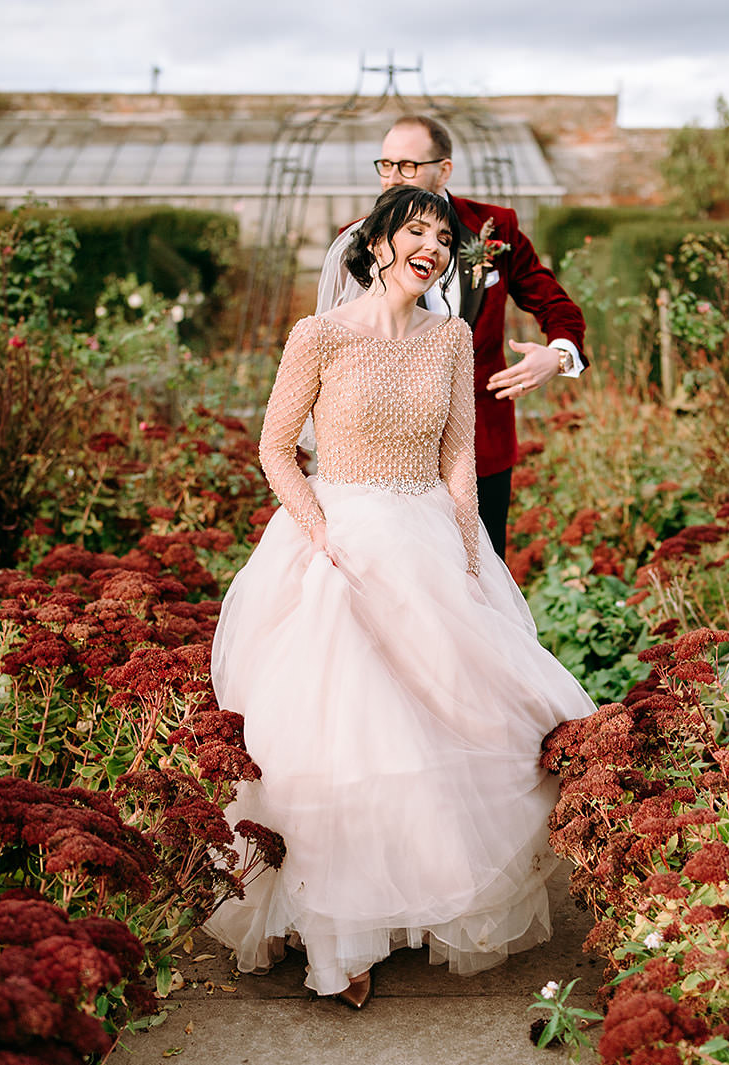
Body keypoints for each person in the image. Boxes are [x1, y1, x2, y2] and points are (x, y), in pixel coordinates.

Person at [206, 184, 596, 1009]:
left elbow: (461, 455)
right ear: (377, 241)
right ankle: (339, 940)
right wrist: (321, 532)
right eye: (414, 229)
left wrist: (466, 546)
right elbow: (277, 450)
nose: (432, 244)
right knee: (340, 738)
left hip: (426, 530)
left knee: (456, 722)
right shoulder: (317, 335)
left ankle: (406, 906)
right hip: (334, 537)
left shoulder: (452, 338)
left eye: (443, 237)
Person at [318, 114, 587, 560]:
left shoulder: (495, 229)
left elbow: (556, 305)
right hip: (389, 456)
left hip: (482, 445)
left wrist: (557, 356)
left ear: (444, 170)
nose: (392, 177)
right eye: (385, 164)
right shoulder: (363, 239)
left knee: (480, 580)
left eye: (407, 166)